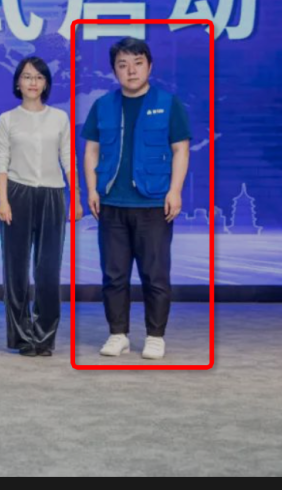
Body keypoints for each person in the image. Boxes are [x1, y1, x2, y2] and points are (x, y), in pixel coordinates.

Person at [82, 36, 191, 360]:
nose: (131, 71)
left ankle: (155, 336)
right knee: (113, 275)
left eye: (138, 63)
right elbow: (91, 150)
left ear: (149, 66)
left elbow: (180, 149)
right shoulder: (103, 105)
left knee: (155, 275)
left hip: (153, 204)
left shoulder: (168, 103)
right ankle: (118, 334)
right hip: (112, 203)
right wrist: (92, 189)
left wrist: (175, 190)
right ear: (114, 70)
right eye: (123, 65)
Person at [0, 56, 80, 358]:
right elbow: (1, 161)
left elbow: (68, 158)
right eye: (27, 76)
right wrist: (2, 200)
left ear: (46, 83)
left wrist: (76, 198)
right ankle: (21, 337)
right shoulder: (7, 119)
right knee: (16, 270)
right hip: (16, 193)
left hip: (52, 194)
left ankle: (44, 337)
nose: (33, 82)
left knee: (48, 270)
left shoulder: (59, 118)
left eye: (39, 77)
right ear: (18, 82)